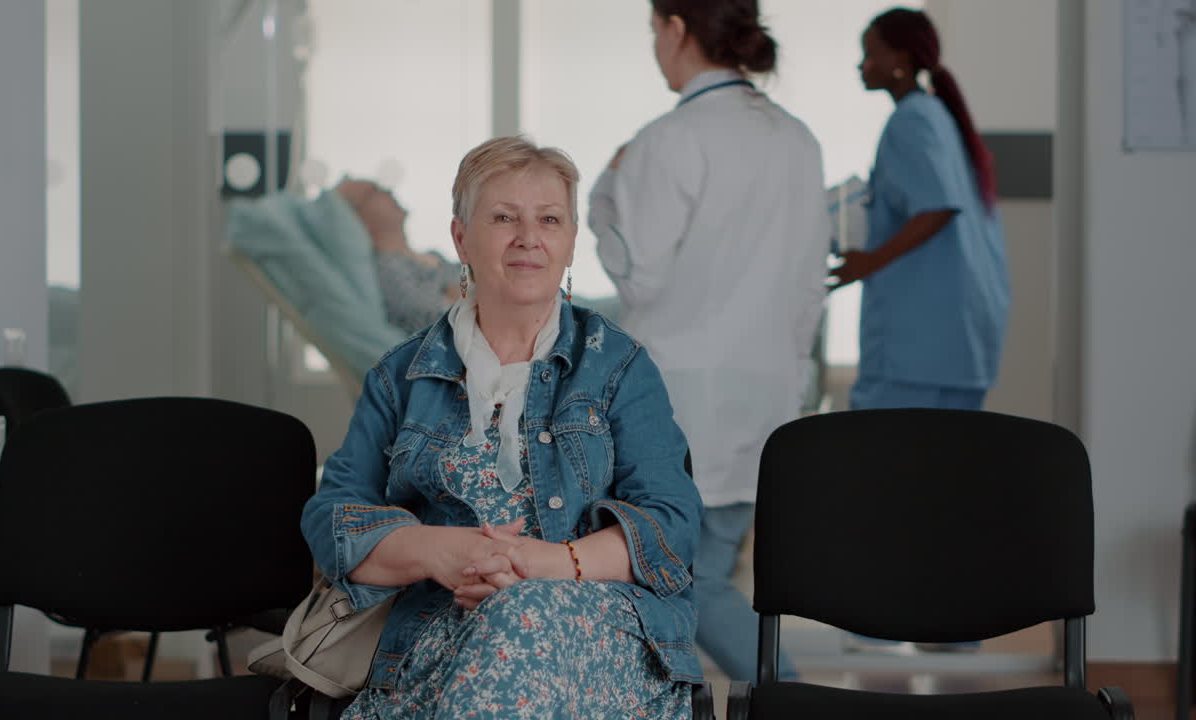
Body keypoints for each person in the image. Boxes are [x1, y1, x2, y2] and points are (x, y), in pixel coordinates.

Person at [303, 136, 704, 718]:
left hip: (599, 641)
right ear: (461, 237)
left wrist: (537, 567)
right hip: (434, 643)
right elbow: (332, 517)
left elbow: (671, 526)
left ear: (568, 242)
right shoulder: (401, 377)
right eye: (503, 218)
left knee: (522, 615)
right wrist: (441, 551)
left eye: (549, 219)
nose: (528, 238)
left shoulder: (619, 367)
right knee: (509, 629)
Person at [588, 0, 828, 683]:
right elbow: (810, 282)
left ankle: (787, 694)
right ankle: (733, 695)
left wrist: (606, 189)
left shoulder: (669, 139)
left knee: (677, 574)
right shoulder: (797, 137)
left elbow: (640, 276)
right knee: (708, 565)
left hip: (683, 398)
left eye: (652, 33)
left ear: (675, 29)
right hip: (770, 392)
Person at [830, 7, 1010, 417]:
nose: (862, 65)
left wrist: (868, 262)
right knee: (946, 472)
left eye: (870, 54)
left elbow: (938, 208)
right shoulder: (941, 118)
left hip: (918, 353)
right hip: (956, 345)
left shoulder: (911, 121)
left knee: (890, 467)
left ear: (900, 60)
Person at [335, 178, 461, 335]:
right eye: (374, 191)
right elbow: (438, 317)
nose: (388, 191)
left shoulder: (434, 256)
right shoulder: (386, 270)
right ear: (357, 218)